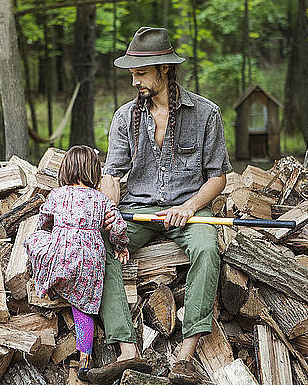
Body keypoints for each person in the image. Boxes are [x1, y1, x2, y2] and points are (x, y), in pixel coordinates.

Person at [90, 27, 231, 385]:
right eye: (133, 74)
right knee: (99, 246)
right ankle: (128, 351)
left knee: (206, 246)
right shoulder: (125, 118)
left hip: (191, 209)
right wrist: (108, 213)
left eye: (141, 73)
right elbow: (112, 174)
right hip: (137, 210)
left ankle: (185, 354)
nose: (134, 81)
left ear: (164, 70)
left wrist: (190, 206)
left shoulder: (205, 113)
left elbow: (218, 178)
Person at [23, 145, 130, 381]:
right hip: (90, 261)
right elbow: (119, 227)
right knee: (84, 309)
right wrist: (120, 246)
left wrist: (51, 229)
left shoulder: (57, 195)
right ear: (95, 173)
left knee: (34, 240)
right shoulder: (102, 200)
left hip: (62, 256)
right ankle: (85, 358)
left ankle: (51, 284)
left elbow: (43, 219)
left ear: (66, 170)